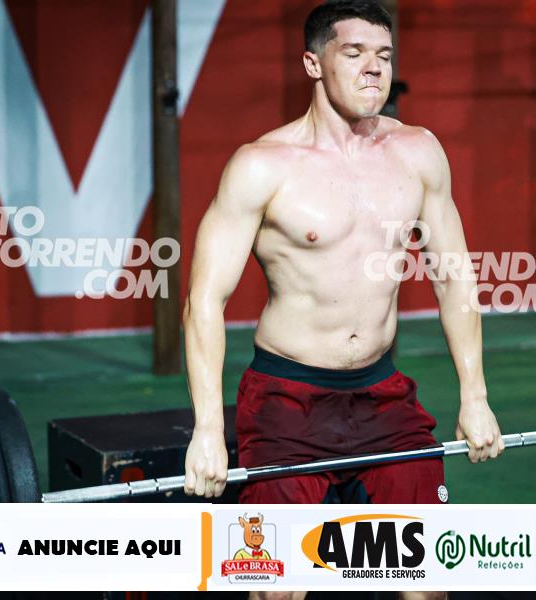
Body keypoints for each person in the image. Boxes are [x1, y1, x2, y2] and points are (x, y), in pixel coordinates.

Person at [183, 3, 502, 595]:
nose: (373, 68)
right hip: (287, 400)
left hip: (382, 397)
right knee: (276, 584)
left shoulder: (419, 153)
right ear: (313, 63)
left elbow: (454, 278)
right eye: (353, 53)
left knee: (426, 579)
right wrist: (207, 428)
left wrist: (475, 396)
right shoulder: (262, 166)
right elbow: (204, 300)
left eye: (383, 56)